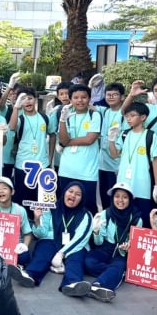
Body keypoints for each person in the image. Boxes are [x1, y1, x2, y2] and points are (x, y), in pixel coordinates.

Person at [8, 182, 94, 298]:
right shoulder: (50, 208)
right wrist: (37, 220)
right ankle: (30, 275)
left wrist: (61, 253)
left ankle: (72, 284)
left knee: (76, 258)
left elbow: (81, 238)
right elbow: (41, 234)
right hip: (52, 240)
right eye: (70, 191)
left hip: (74, 245)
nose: (73, 196)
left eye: (78, 194)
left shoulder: (86, 215)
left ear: (82, 198)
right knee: (43, 250)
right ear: (64, 193)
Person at [84, 182, 142, 302]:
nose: (120, 200)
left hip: (122, 253)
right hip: (105, 249)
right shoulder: (106, 213)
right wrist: (96, 230)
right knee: (88, 262)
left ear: (130, 199)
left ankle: (97, 285)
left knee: (119, 264)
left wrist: (128, 246)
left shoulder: (136, 218)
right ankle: (116, 273)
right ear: (112, 198)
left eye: (125, 197)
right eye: (117, 196)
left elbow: (135, 244)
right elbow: (99, 242)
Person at [108, 102, 157, 227]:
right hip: (123, 183)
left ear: (142, 117)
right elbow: (114, 154)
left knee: (142, 218)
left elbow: (155, 160)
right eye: (127, 116)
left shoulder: (150, 135)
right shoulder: (124, 134)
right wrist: (111, 140)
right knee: (123, 217)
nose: (128, 119)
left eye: (132, 116)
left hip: (142, 184)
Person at [8, 87, 56, 218]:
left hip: (42, 165)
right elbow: (12, 127)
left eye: (30, 98)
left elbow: (52, 135)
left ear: (35, 99)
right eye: (23, 99)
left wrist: (50, 157)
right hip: (23, 165)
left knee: (39, 199)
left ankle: (38, 226)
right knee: (21, 198)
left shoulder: (45, 118)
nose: (27, 102)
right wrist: (16, 108)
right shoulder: (19, 118)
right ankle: (22, 226)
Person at [57, 84, 102, 216]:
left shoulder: (95, 115)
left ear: (89, 99)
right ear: (70, 99)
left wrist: (68, 142)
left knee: (88, 206)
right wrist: (62, 120)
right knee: (66, 204)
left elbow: (90, 139)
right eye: (76, 97)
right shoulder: (67, 116)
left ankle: (89, 234)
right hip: (66, 169)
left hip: (87, 171)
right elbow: (63, 140)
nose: (80, 100)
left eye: (84, 97)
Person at [97, 83, 128, 209]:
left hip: (117, 165)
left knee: (117, 198)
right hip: (102, 163)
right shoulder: (104, 111)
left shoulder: (125, 114)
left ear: (122, 97)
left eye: (115, 94)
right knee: (104, 196)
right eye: (108, 95)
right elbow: (87, 104)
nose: (111, 97)